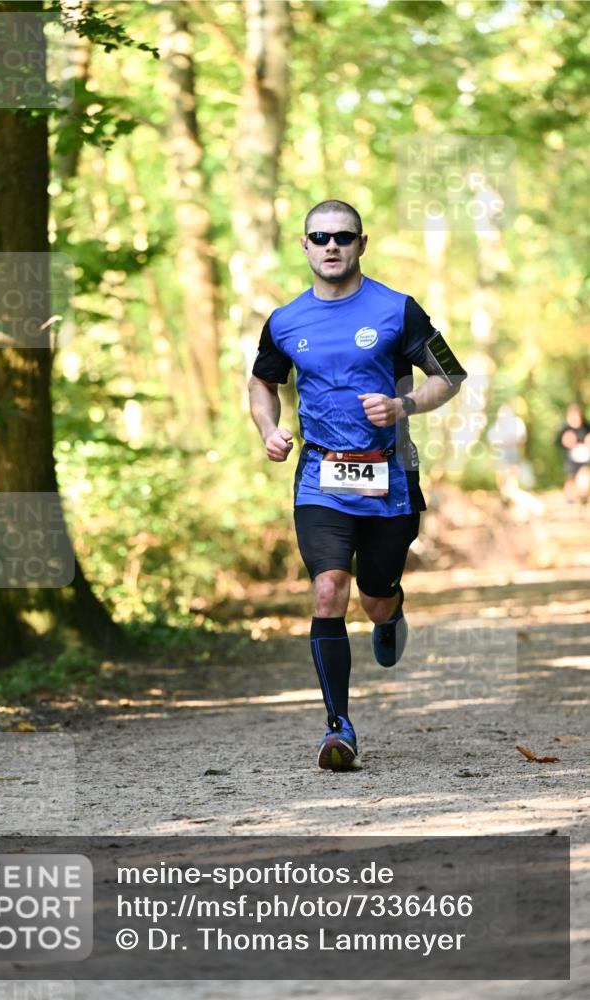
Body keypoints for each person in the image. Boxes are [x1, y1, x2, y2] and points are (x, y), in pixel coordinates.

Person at [248, 199, 466, 771]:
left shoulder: (399, 309)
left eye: (342, 237)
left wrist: (402, 404)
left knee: (373, 593)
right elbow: (261, 382)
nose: (330, 246)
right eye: (319, 237)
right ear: (304, 245)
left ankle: (390, 615)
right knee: (328, 589)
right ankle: (337, 727)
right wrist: (269, 429)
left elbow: (451, 375)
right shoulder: (284, 320)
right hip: (319, 475)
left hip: (389, 476)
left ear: (361, 244)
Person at [557, 403, 590, 504]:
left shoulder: (586, 426)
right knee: (571, 477)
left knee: (584, 473)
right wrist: (565, 441)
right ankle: (569, 497)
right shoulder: (565, 427)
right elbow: (558, 441)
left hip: (584, 456)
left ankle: (583, 494)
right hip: (570, 457)